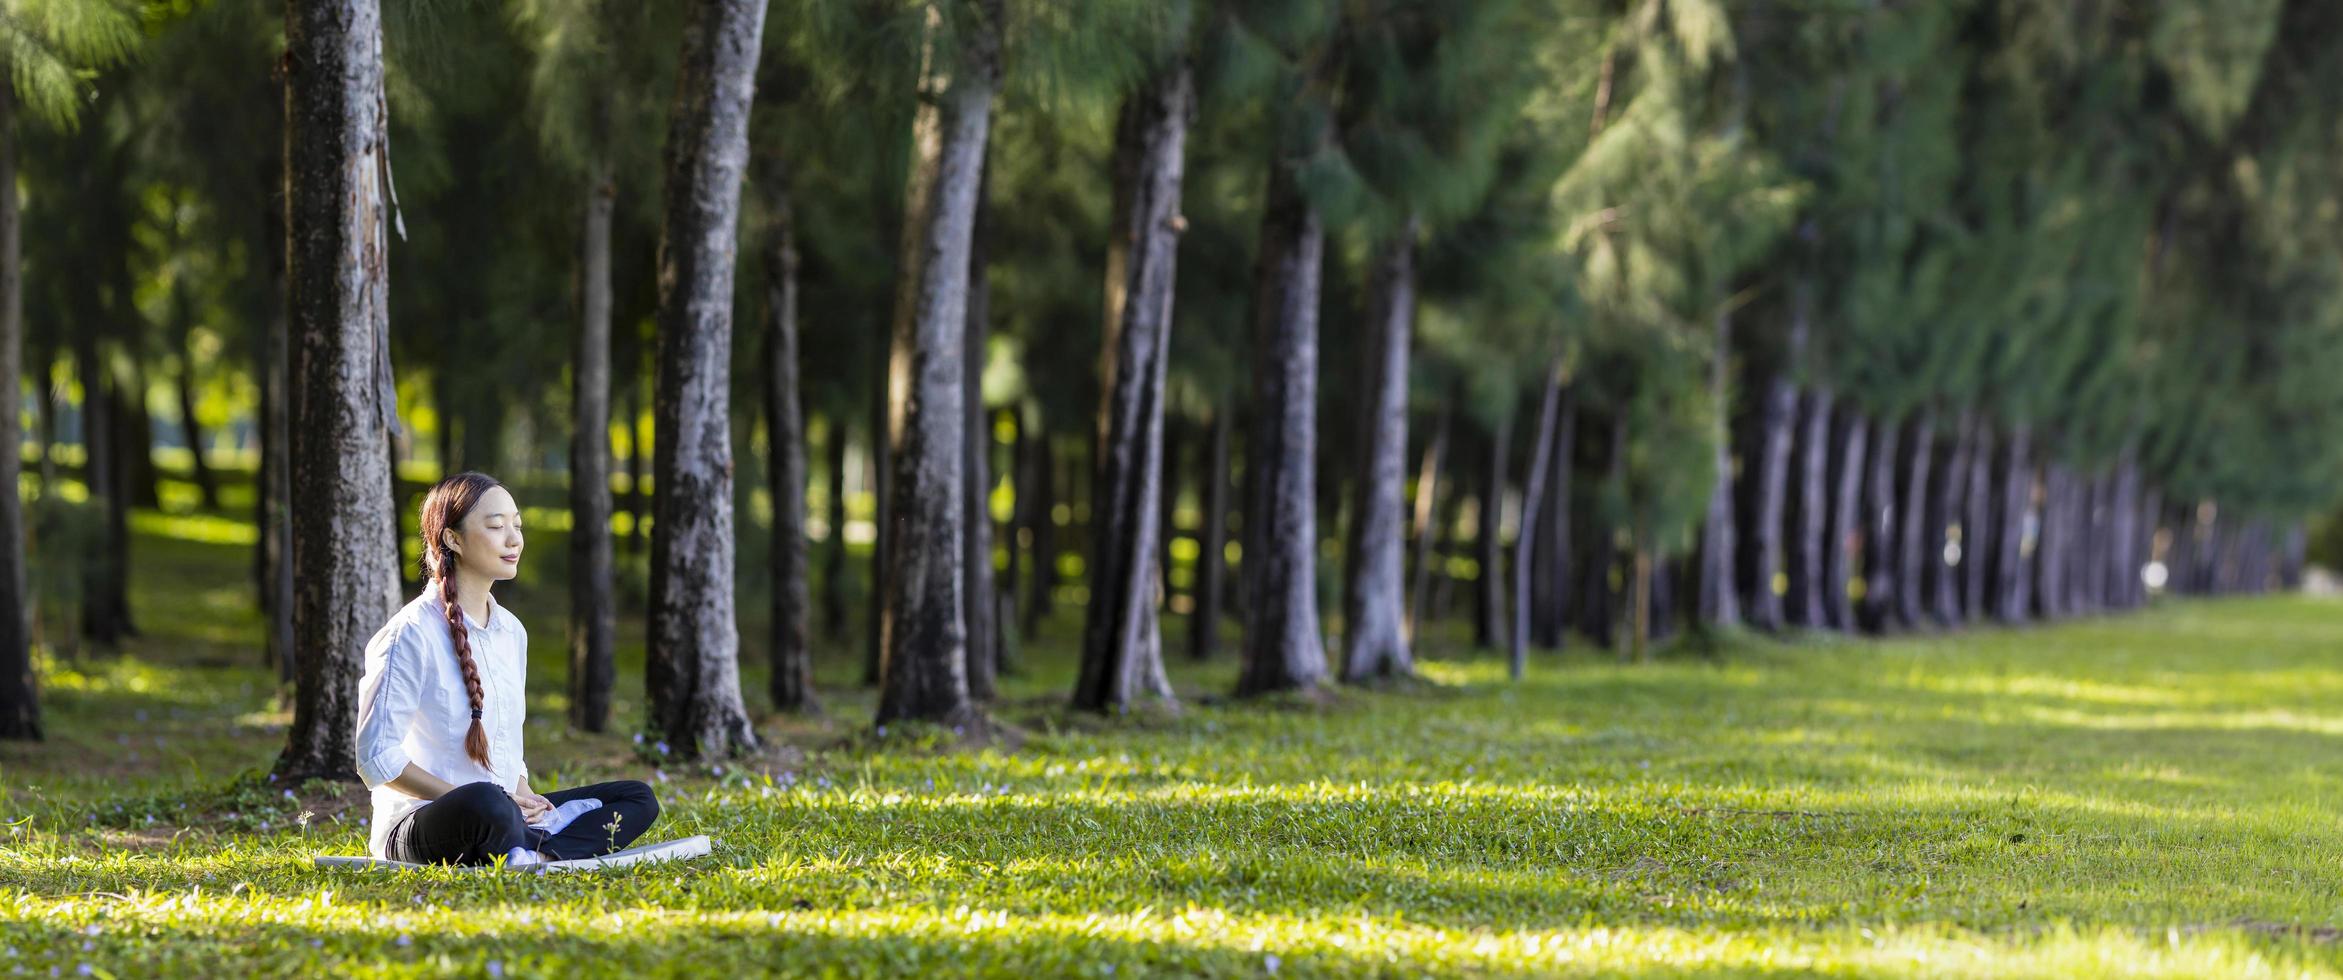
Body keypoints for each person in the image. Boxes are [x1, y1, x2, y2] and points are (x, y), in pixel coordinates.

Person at [352, 471, 660, 866]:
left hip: (502, 809)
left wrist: (525, 796)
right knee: (486, 800)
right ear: (453, 539)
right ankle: (525, 841)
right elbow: (376, 757)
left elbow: (504, 743)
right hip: (424, 822)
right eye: (496, 526)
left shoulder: (511, 632)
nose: (514, 539)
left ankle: (541, 853)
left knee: (636, 797)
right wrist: (491, 799)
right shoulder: (409, 635)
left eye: (517, 525)